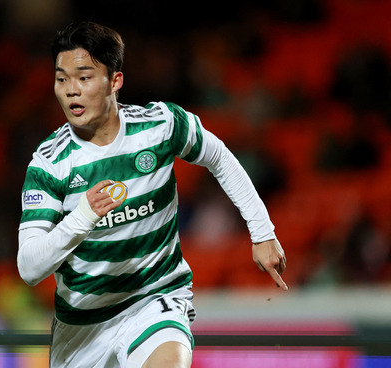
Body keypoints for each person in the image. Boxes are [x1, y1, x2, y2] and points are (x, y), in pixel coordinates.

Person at [17, 21, 287, 368]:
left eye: (83, 78)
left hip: (154, 300)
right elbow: (29, 267)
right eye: (61, 79)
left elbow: (218, 156)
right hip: (82, 325)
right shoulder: (50, 164)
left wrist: (262, 232)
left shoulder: (160, 126)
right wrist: (82, 218)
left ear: (115, 81)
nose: (71, 90)